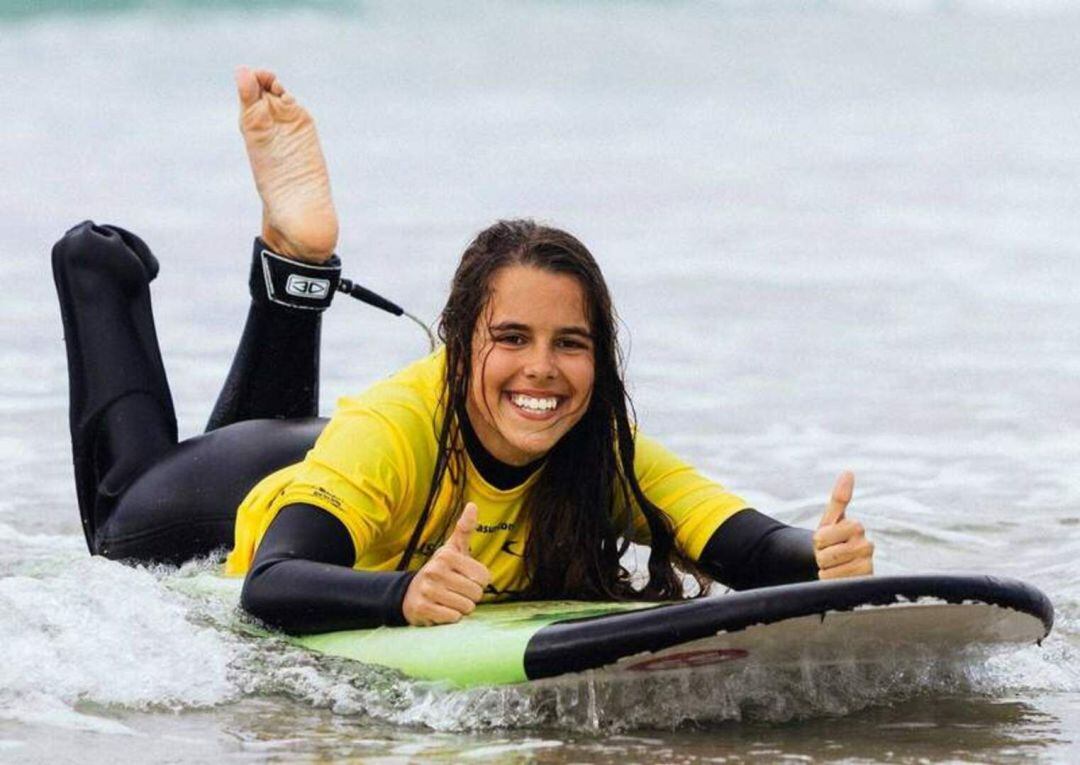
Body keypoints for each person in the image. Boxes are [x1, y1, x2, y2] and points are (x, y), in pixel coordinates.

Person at [51, 67, 874, 633]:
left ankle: (297, 264)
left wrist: (817, 552)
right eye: (510, 338)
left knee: (283, 428)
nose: (542, 368)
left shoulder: (600, 452)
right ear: (459, 344)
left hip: (329, 454)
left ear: (603, 359)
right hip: (231, 500)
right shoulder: (396, 424)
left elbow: (746, 546)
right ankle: (95, 269)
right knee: (121, 521)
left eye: (571, 343)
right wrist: (403, 595)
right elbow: (270, 585)